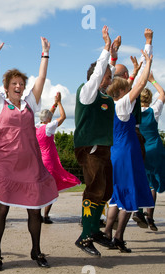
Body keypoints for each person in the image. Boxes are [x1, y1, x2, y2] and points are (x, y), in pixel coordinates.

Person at [0, 38, 58, 271]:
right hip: (5, 164)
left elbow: (42, 79)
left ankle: (36, 251)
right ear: (7, 87)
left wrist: (44, 54)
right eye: (14, 83)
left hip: (30, 164)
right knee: (2, 209)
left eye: (21, 83)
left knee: (34, 210)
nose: (19, 86)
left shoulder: (30, 105)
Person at [74, 26, 121, 257]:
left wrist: (114, 54)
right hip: (90, 146)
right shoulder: (87, 92)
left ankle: (94, 230)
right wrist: (105, 49)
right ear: (96, 76)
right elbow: (99, 74)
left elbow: (107, 71)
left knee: (106, 190)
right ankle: (85, 236)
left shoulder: (104, 96)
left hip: (104, 148)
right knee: (94, 189)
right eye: (108, 76)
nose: (110, 79)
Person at [103, 49, 154, 252]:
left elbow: (130, 85)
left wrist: (134, 70)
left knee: (117, 195)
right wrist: (148, 63)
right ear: (123, 92)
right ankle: (118, 237)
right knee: (128, 194)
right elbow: (140, 85)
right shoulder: (124, 104)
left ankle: (108, 232)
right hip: (127, 153)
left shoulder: (114, 104)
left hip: (116, 152)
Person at [35, 92, 81, 224]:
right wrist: (60, 103)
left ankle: (37, 214)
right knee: (51, 188)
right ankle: (46, 215)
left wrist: (54, 104)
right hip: (49, 160)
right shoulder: (49, 127)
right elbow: (63, 116)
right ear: (49, 119)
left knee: (41, 187)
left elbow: (47, 115)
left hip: (39, 160)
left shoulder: (37, 127)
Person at [138, 73, 165, 231]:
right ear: (149, 98)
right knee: (152, 184)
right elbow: (162, 94)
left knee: (142, 180)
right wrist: (152, 80)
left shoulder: (133, 113)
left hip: (140, 147)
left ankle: (139, 211)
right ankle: (150, 218)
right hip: (154, 147)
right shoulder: (154, 110)